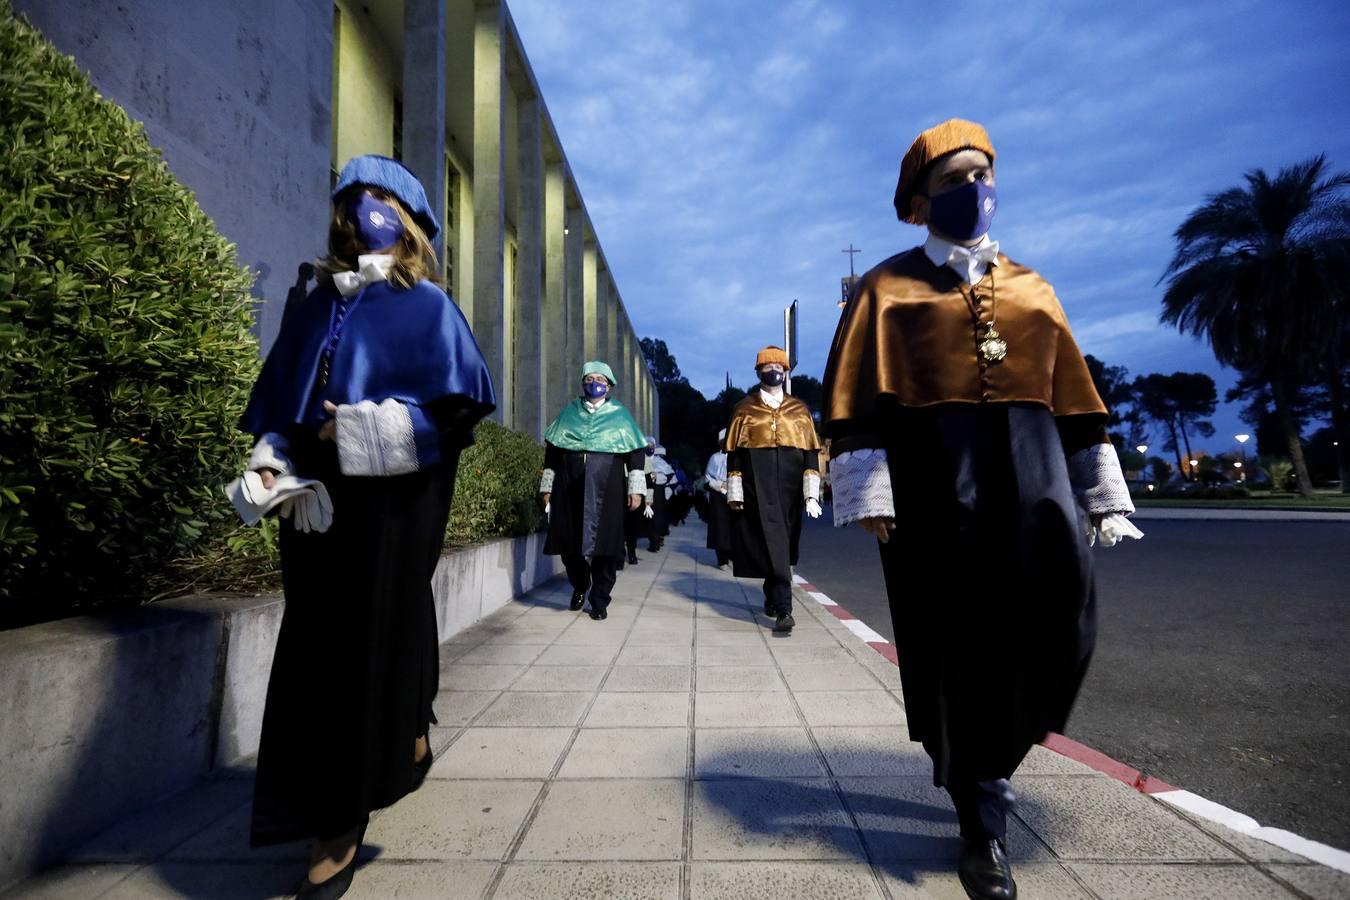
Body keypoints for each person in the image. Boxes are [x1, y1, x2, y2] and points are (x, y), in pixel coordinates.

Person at [821, 119, 1142, 900]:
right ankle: (982, 819)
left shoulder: (1034, 286)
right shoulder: (886, 289)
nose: (974, 190)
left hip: (1034, 476)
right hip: (936, 480)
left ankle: (989, 763)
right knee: (960, 637)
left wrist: (1099, 491)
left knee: (1064, 618)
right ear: (918, 201)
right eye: (955, 178)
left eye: (983, 175)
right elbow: (854, 396)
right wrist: (869, 488)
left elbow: (1073, 397)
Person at [238, 154, 496, 899]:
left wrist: (353, 432)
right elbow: (283, 405)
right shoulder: (312, 304)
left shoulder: (429, 307)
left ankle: (339, 821)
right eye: (355, 197)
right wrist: (271, 461)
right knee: (314, 648)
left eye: (381, 197)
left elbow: (454, 416)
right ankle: (357, 765)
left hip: (393, 501)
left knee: (375, 636)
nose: (364, 209)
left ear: (410, 218)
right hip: (315, 505)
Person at [725, 346, 822, 633]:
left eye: (779, 366)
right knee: (769, 538)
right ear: (758, 372)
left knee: (782, 542)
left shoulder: (799, 409)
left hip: (791, 486)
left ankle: (772, 592)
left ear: (786, 371)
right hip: (757, 483)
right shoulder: (744, 408)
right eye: (768, 366)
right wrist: (735, 492)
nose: (774, 370)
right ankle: (784, 609)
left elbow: (810, 454)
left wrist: (811, 494)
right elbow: (735, 455)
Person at [540, 362, 648, 620]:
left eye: (600, 379)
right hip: (569, 484)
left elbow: (635, 456)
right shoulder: (569, 413)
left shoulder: (620, 416)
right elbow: (552, 454)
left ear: (609, 386)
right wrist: (547, 486)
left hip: (608, 485)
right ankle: (580, 582)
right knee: (568, 542)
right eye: (589, 378)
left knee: (607, 545)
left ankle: (600, 598)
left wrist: (636, 490)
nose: (594, 382)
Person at [704, 428, 733, 568]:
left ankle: (734, 556)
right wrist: (721, 486)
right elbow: (708, 478)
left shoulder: (738, 456)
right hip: (718, 496)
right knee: (720, 527)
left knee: (735, 526)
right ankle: (722, 559)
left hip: (735, 494)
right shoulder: (715, 458)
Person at [646, 444, 675, 551]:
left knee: (657, 517)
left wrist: (658, 478)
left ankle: (656, 539)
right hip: (647, 491)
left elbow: (670, 477)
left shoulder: (662, 463)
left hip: (659, 493)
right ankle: (653, 539)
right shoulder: (645, 460)